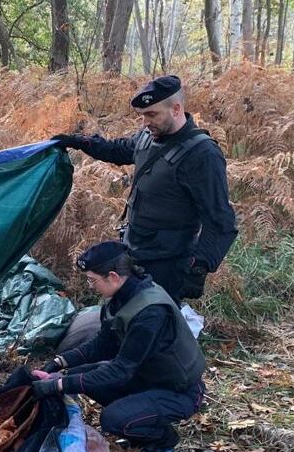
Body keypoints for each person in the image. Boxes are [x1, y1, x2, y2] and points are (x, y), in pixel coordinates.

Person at [51, 75, 237, 306]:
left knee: (155, 326)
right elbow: (118, 150)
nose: (145, 122)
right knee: (125, 315)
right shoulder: (148, 137)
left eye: (152, 114)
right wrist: (80, 141)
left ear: (176, 109)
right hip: (134, 250)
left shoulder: (202, 155)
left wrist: (198, 268)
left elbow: (221, 219)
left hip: (169, 262)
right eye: (142, 116)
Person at [29, 241, 206, 452]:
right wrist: (60, 363)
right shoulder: (120, 297)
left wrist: (58, 385)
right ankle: (137, 412)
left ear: (113, 276)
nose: (90, 286)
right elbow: (103, 344)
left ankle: (162, 439)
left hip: (178, 390)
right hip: (147, 376)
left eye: (92, 280)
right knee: (77, 375)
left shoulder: (150, 313)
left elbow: (121, 370)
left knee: (112, 419)